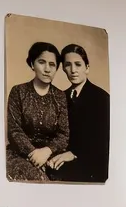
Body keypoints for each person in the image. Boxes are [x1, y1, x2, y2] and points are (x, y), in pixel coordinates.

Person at [6, 41, 71, 182]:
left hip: (52, 154)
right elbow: (14, 130)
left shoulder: (60, 96)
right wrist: (33, 153)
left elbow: (63, 134)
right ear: (32, 64)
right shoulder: (18, 91)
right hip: (21, 154)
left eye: (52, 65)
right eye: (42, 62)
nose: (47, 69)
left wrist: (47, 151)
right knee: (36, 178)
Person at [46, 44, 109, 182]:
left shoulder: (102, 98)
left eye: (78, 64)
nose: (73, 70)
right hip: (63, 159)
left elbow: (103, 141)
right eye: (68, 65)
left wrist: (74, 153)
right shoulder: (61, 97)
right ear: (63, 69)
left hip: (92, 163)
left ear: (87, 68)